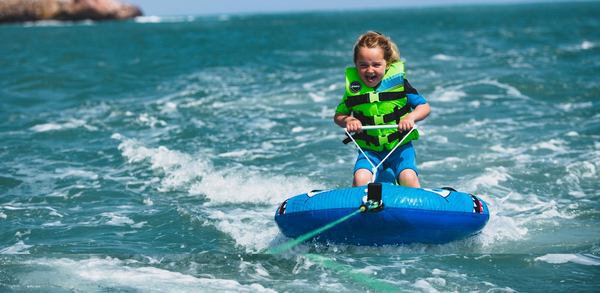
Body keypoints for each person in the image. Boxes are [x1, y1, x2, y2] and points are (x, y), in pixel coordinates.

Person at [333, 31, 431, 188]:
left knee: (408, 177)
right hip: (369, 152)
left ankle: (416, 206)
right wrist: (349, 120)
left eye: (376, 65)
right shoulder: (354, 90)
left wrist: (410, 117)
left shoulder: (399, 84)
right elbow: (339, 116)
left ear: (387, 64)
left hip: (400, 149)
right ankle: (359, 205)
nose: (370, 70)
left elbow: (424, 107)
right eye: (363, 65)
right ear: (356, 65)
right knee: (360, 179)